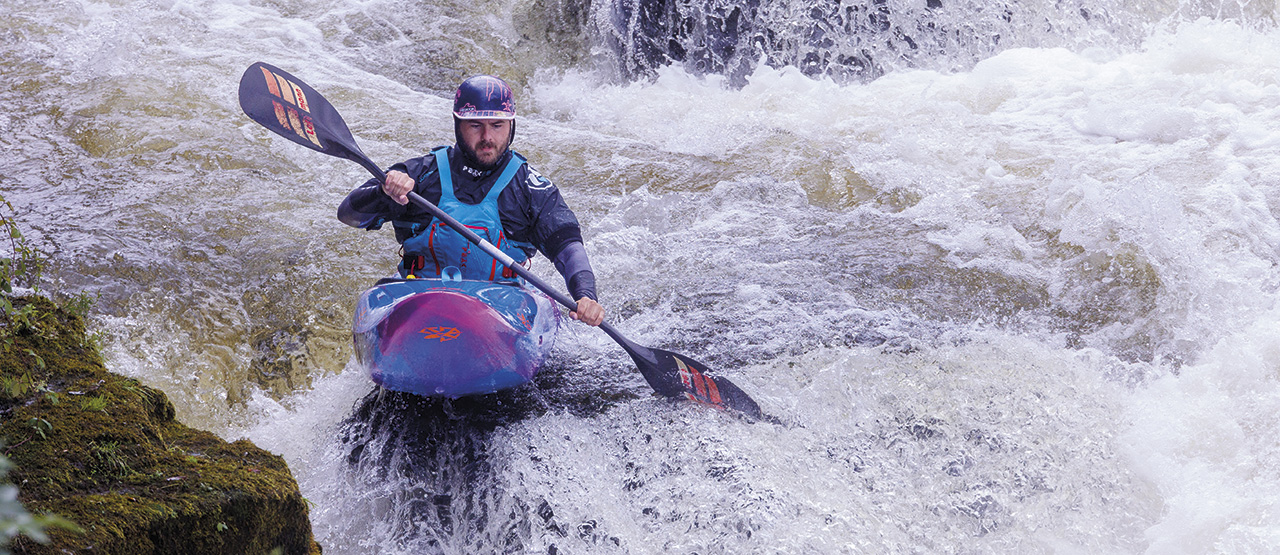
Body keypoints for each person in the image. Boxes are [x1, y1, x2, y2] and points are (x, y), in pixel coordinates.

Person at [337, 75, 605, 326]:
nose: (487, 138)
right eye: (476, 126)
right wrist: (383, 191)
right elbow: (349, 215)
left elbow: (568, 247)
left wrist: (585, 294)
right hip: (420, 299)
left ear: (511, 126)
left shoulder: (530, 188)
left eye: (497, 126)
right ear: (458, 125)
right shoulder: (421, 174)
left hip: (502, 308)